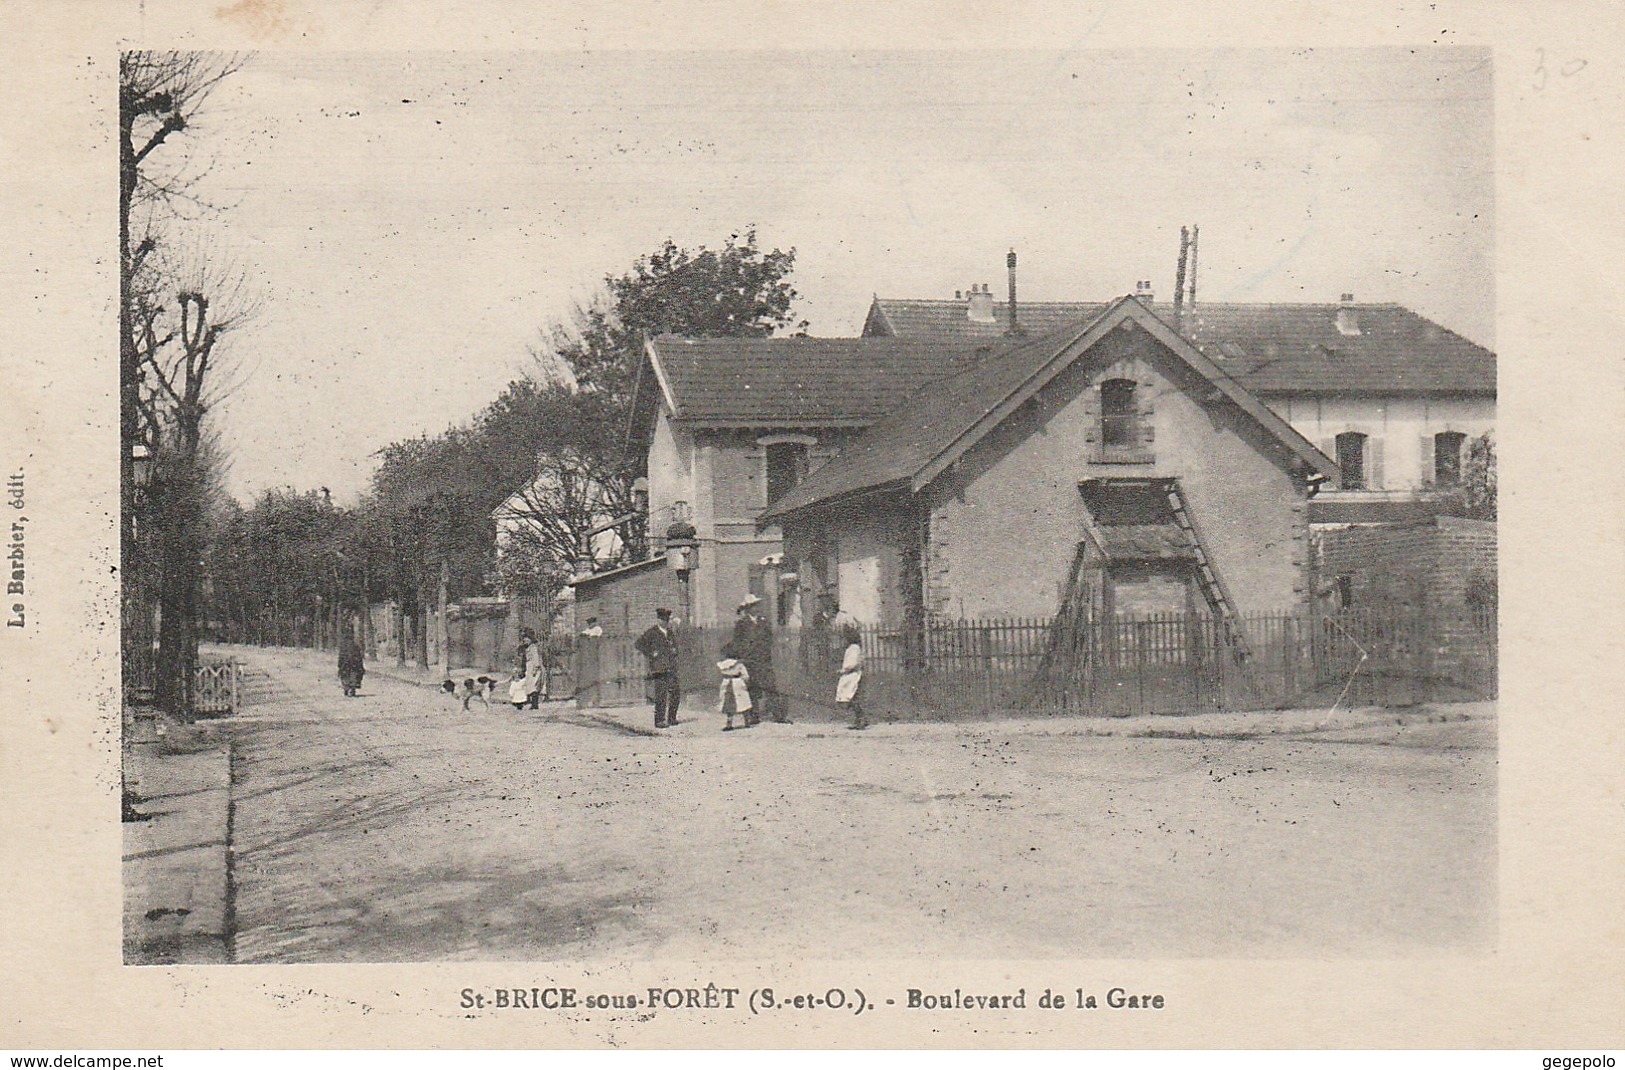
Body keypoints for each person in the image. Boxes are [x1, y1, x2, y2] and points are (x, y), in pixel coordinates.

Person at [732, 594, 787, 724]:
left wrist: (767, 650)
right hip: (750, 660)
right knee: (752, 688)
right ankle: (753, 716)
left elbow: (769, 637)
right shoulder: (741, 624)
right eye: (753, 606)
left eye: (757, 605)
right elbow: (737, 642)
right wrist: (743, 656)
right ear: (748, 608)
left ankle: (778, 716)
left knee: (770, 687)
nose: (756, 608)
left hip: (764, 659)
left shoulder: (763, 621)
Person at [634, 608, 681, 728]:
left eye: (667, 620)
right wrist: (651, 653)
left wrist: (675, 650)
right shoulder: (652, 632)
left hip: (671, 666)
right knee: (661, 694)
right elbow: (638, 644)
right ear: (658, 620)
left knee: (675, 692)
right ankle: (659, 720)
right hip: (659, 667)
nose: (665, 622)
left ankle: (672, 718)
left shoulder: (670, 632)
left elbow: (675, 645)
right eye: (663, 619)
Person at [716, 641, 752, 732]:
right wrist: (744, 681)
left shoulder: (723, 665)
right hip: (737, 683)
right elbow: (746, 676)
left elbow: (722, 674)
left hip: (726, 682)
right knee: (743, 703)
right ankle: (747, 722)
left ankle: (729, 723)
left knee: (728, 704)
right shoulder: (739, 664)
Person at [836, 622, 867, 730]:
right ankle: (859, 719)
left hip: (852, 676)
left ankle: (861, 719)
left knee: (852, 698)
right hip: (849, 676)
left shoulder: (854, 648)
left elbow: (852, 663)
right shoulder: (852, 648)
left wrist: (844, 670)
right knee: (850, 698)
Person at [510, 628, 543, 710]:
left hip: (533, 667)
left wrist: (535, 668)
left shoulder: (533, 648)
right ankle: (530, 701)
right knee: (529, 685)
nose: (525, 641)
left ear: (530, 639)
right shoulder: (527, 648)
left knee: (533, 686)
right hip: (529, 667)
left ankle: (534, 704)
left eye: (527, 639)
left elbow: (535, 659)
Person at [337, 613, 365, 697]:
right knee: (353, 672)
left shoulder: (344, 646)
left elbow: (341, 657)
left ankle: (347, 687)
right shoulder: (355, 645)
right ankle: (352, 687)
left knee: (345, 672)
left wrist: (339, 663)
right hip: (353, 661)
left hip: (346, 661)